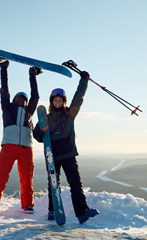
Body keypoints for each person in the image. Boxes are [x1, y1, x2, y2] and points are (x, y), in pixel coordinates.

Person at [33, 70, 99, 224]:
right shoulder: (46, 117)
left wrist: (84, 80)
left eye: (60, 100)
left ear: (63, 101)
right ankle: (52, 210)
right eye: (55, 100)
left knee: (75, 182)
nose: (57, 102)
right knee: (53, 184)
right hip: (53, 156)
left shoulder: (70, 114)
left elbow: (78, 98)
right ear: (51, 101)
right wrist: (40, 136)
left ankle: (82, 212)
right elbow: (36, 133)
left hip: (68, 154)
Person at [0, 58, 41, 214]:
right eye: (19, 97)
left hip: (26, 147)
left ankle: (28, 204)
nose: (21, 99)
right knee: (0, 175)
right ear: (14, 99)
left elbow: (35, 96)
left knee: (27, 177)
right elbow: (4, 89)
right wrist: (4, 68)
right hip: (8, 146)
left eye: (24, 98)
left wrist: (32, 76)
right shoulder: (7, 109)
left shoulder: (29, 112)